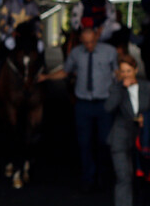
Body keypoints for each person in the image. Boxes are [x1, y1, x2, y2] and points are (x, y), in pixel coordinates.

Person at [39, 27, 118, 192]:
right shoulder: (75, 53)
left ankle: (103, 175)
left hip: (104, 103)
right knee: (84, 142)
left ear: (96, 37)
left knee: (104, 141)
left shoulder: (110, 52)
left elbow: (118, 73)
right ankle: (88, 178)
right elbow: (65, 72)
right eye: (86, 42)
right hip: (83, 104)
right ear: (81, 40)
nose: (89, 45)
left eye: (92, 42)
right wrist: (47, 77)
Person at [104, 54, 149, 206]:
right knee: (124, 177)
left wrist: (146, 120)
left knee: (142, 179)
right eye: (122, 71)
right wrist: (121, 89)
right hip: (121, 136)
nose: (126, 74)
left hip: (142, 139)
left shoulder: (146, 87)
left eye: (128, 71)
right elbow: (108, 108)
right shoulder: (116, 88)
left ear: (136, 71)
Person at [0, 0, 43, 82]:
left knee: (40, 49)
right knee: (5, 48)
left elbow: (38, 22)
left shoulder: (34, 6)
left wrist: (38, 35)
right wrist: (10, 32)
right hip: (11, 35)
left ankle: (42, 72)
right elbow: (2, 20)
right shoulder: (10, 2)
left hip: (27, 37)